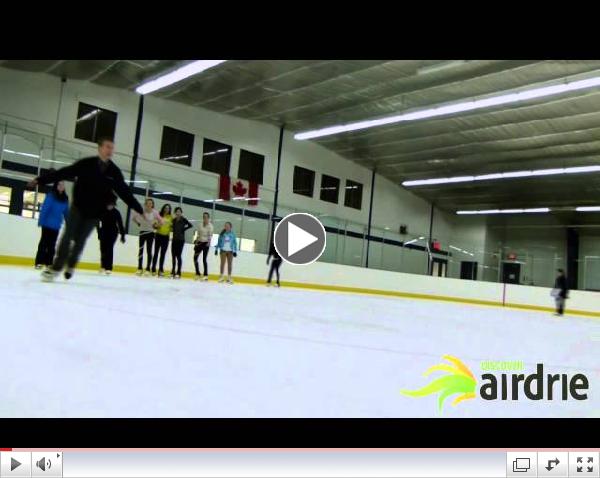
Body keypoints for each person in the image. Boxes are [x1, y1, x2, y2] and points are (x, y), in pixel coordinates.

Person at [27, 138, 143, 281]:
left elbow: (125, 192)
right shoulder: (86, 164)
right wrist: (40, 180)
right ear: (100, 148)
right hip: (78, 208)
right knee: (67, 237)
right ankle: (55, 268)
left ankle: (70, 265)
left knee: (80, 240)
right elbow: (64, 172)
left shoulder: (114, 172)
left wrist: (140, 210)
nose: (110, 151)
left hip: (95, 214)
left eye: (112, 148)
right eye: (107, 147)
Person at [34, 181, 69, 269]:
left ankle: (49, 263)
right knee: (43, 243)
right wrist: (40, 221)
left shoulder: (65, 198)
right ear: (56, 186)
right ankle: (39, 262)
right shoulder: (51, 196)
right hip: (47, 224)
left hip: (56, 225)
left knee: (52, 245)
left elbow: (66, 212)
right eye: (60, 185)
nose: (61, 186)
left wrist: (69, 223)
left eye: (63, 185)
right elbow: (45, 208)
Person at [133, 198, 163, 276]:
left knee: (149, 251)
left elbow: (161, 221)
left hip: (150, 233)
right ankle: (139, 268)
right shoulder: (141, 211)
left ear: (152, 204)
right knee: (141, 250)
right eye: (148, 203)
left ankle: (147, 269)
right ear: (145, 204)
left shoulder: (155, 212)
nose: (149, 204)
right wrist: (138, 223)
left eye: (151, 203)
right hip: (142, 232)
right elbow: (133, 218)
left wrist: (157, 226)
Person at [97, 194, 126, 275]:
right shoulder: (102, 210)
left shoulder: (116, 213)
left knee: (109, 248)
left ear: (114, 204)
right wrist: (98, 232)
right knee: (103, 248)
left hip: (113, 232)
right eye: (108, 204)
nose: (109, 205)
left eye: (111, 204)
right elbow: (97, 222)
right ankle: (103, 266)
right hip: (103, 231)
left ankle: (108, 267)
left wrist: (123, 236)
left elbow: (120, 224)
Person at [170, 207, 193, 279]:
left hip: (180, 240)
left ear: (181, 213)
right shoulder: (173, 220)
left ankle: (178, 272)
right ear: (175, 213)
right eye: (177, 211)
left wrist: (184, 229)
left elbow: (190, 225)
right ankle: (173, 271)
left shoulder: (184, 220)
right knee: (173, 256)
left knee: (178, 256)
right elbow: (171, 228)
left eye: (179, 211)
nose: (178, 213)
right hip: (174, 240)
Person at [152, 204, 173, 277]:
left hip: (166, 237)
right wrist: (156, 226)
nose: (167, 209)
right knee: (156, 253)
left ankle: (161, 270)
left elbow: (172, 227)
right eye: (166, 208)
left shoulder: (171, 217)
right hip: (158, 236)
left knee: (163, 254)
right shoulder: (159, 215)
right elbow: (154, 225)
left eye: (168, 208)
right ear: (163, 208)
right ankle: (153, 269)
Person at [193, 212, 214, 281]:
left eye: (206, 217)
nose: (205, 218)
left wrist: (209, 243)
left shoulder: (210, 226)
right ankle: (197, 273)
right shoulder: (200, 225)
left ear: (208, 218)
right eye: (204, 217)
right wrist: (196, 241)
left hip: (206, 243)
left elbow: (210, 236)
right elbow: (198, 234)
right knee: (195, 258)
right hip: (199, 242)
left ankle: (205, 275)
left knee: (204, 259)